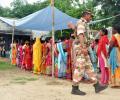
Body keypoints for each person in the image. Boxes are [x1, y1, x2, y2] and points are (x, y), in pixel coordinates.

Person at [70, 10, 107, 95]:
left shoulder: (83, 23)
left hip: (84, 47)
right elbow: (80, 34)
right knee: (80, 67)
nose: (91, 18)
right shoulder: (81, 22)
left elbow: (78, 32)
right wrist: (83, 47)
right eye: (90, 16)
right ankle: (75, 88)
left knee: (89, 67)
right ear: (86, 15)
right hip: (81, 48)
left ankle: (97, 85)